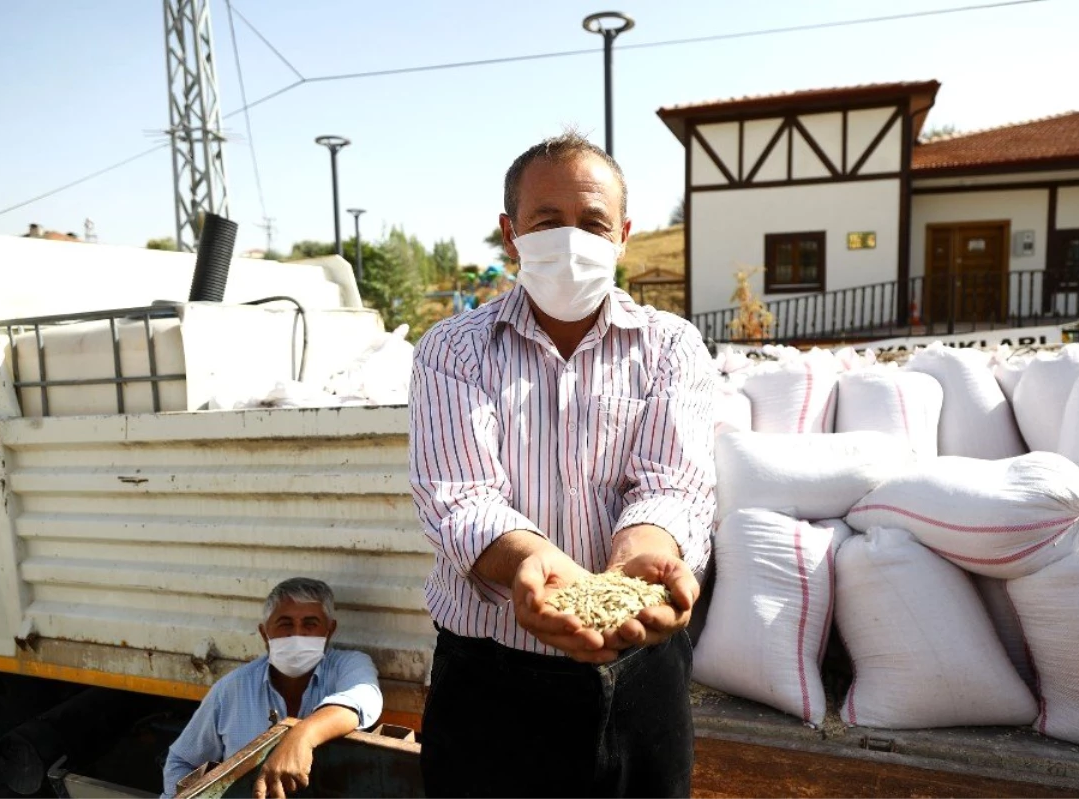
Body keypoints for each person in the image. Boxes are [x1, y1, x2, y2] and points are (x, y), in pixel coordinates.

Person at [408, 131, 716, 798]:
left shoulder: (671, 347)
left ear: (623, 235)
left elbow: (672, 485)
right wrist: (528, 563)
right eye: (547, 222)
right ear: (510, 233)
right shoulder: (454, 351)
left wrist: (647, 558)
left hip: (643, 673)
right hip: (491, 683)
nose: (572, 240)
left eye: (593, 222)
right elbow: (460, 496)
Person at [161, 577, 382, 799]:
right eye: (285, 624)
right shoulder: (232, 690)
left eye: (310, 623)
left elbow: (360, 701)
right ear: (264, 633)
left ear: (330, 630)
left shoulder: (349, 665)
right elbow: (182, 761)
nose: (297, 634)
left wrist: (301, 737)